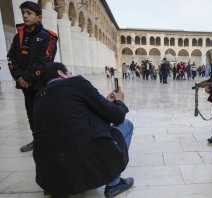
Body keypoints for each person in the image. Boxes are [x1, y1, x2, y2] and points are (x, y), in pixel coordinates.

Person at [33, 62, 134, 197]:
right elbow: (117, 117)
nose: (71, 75)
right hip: (83, 167)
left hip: (49, 180)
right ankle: (114, 183)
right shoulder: (76, 83)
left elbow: (74, 116)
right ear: (61, 73)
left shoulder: (39, 97)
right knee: (126, 125)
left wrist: (104, 102)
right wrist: (120, 102)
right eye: (69, 73)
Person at [7, 1, 58, 152]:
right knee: (31, 114)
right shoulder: (19, 37)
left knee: (44, 113)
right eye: (23, 13)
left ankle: (50, 141)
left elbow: (44, 61)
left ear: (39, 17)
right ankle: (38, 140)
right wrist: (19, 77)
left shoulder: (47, 37)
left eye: (29, 13)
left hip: (40, 83)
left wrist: (28, 78)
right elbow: (11, 58)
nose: (25, 16)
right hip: (25, 85)